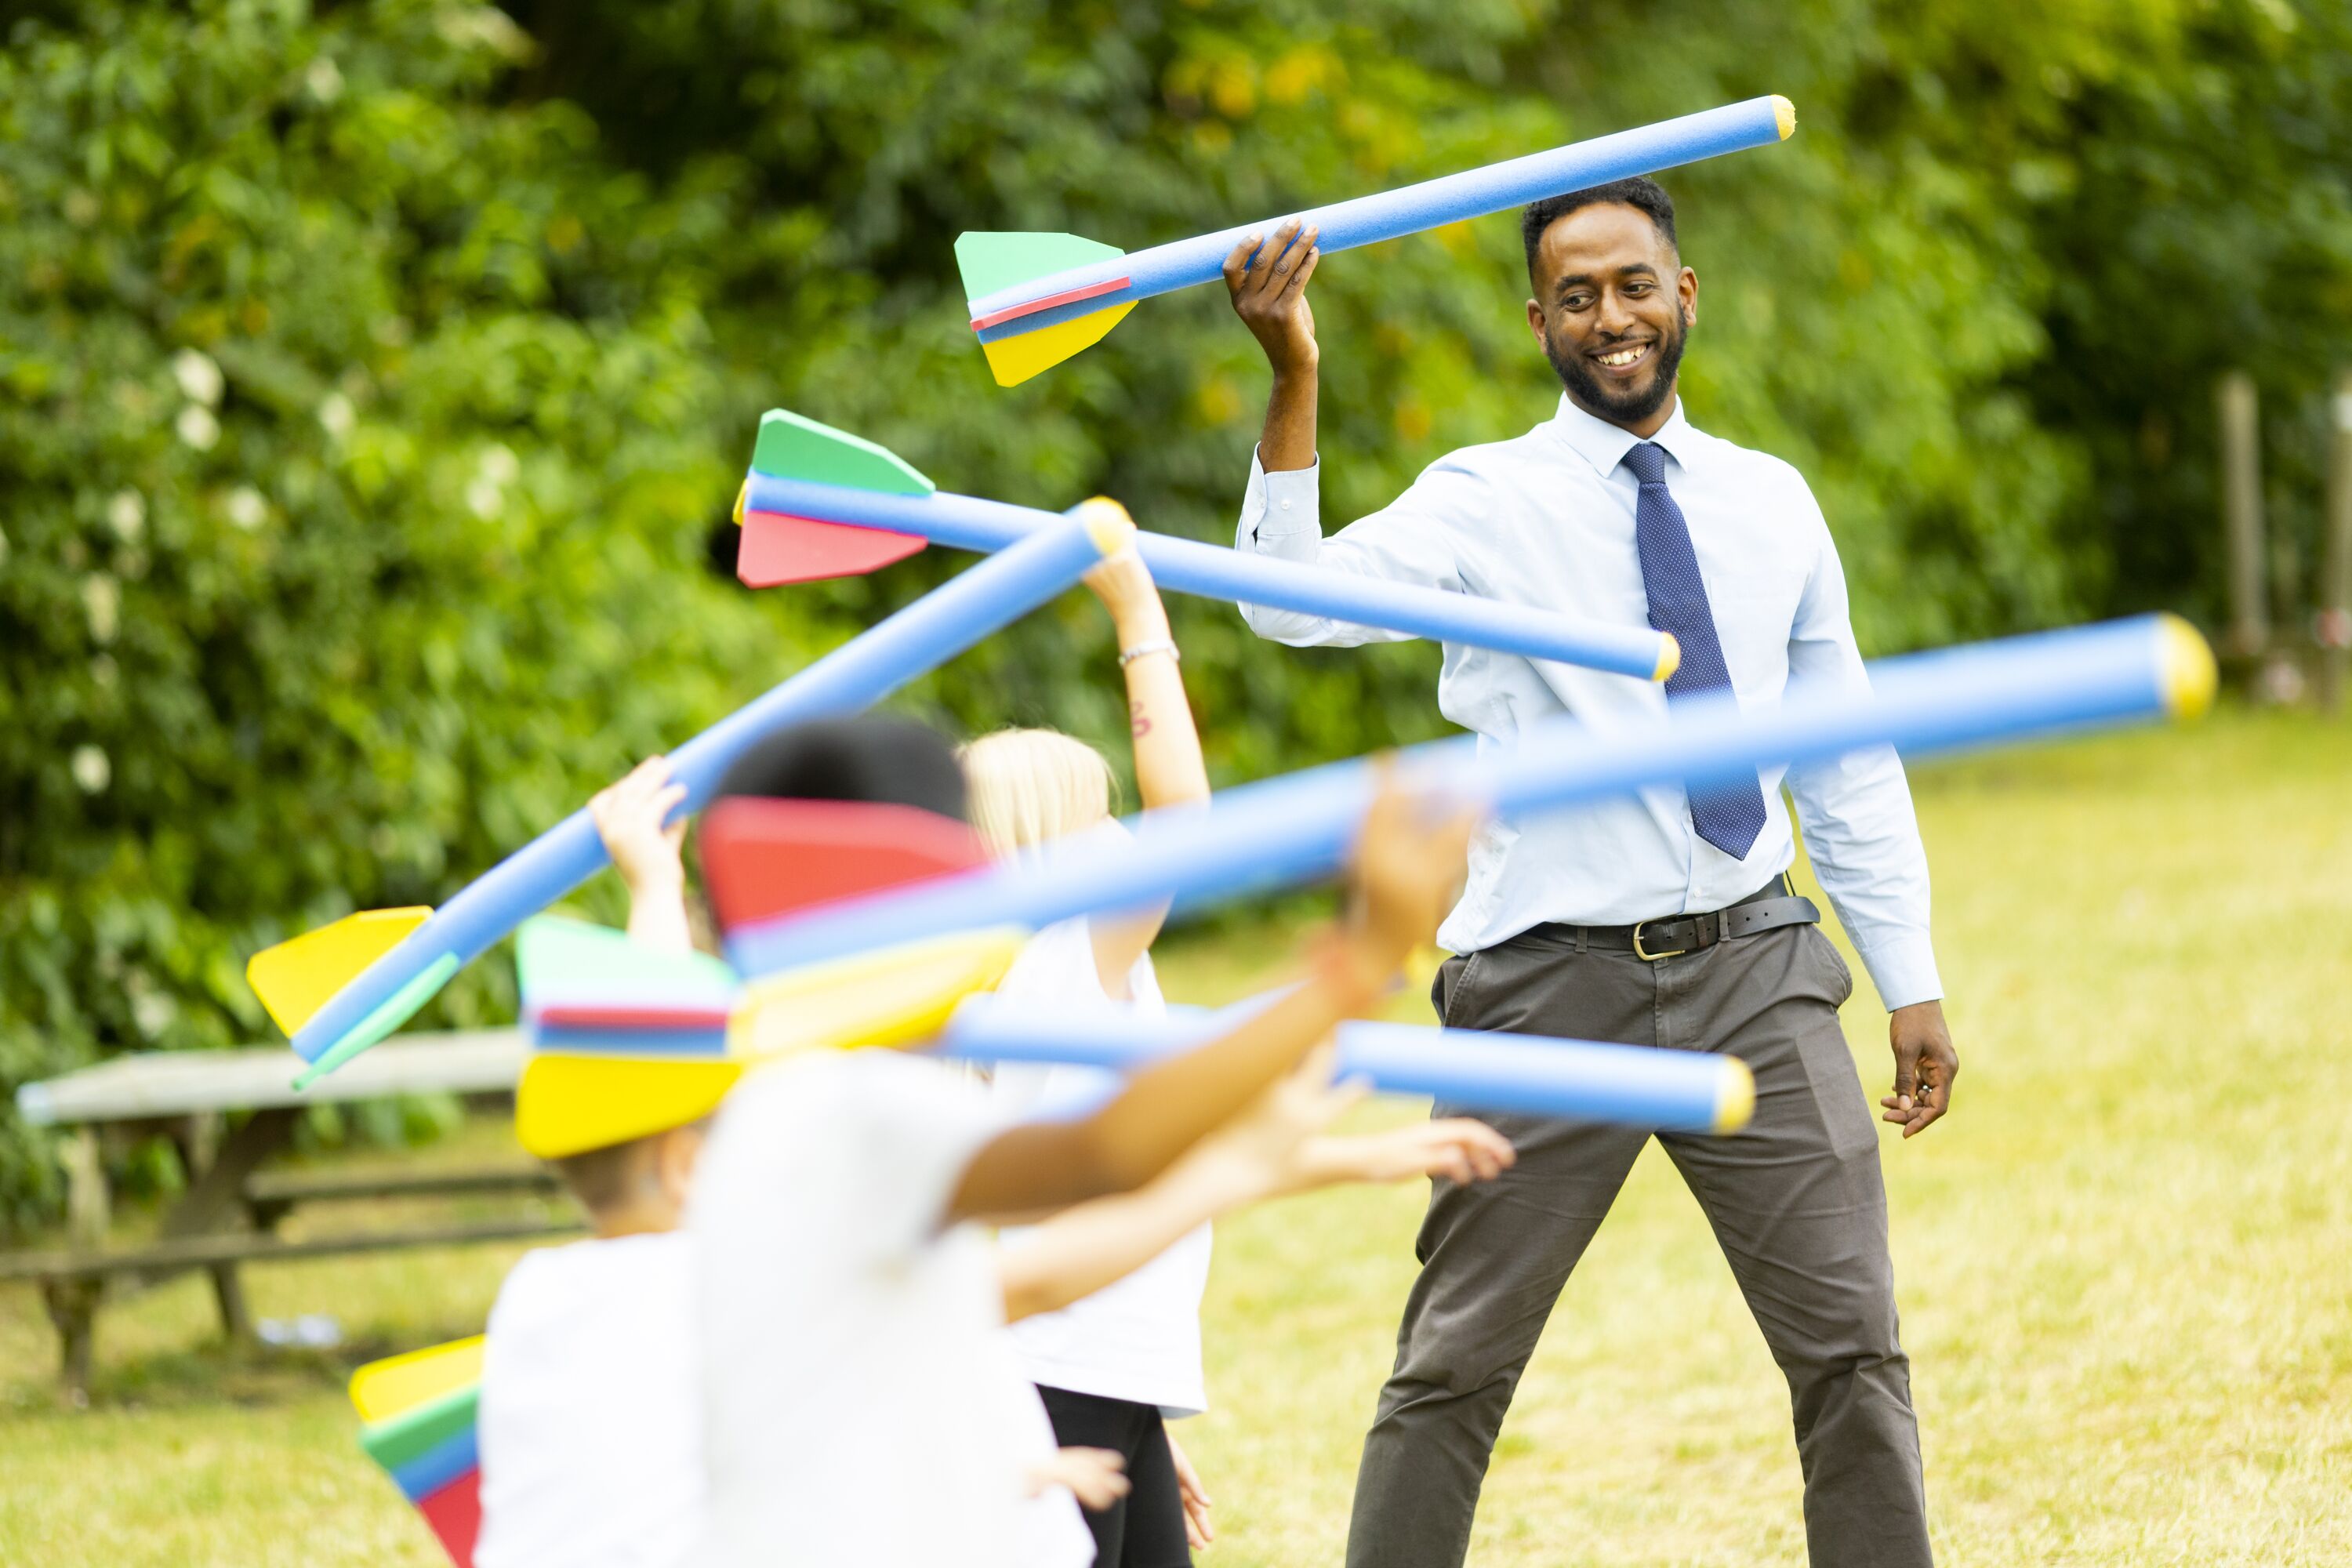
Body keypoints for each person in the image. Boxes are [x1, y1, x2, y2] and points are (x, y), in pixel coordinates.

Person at [1221, 176, 1957, 1568]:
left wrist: (1908, 978)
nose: (1609, 319)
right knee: (1452, 1369)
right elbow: (1283, 602)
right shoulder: (1485, 502)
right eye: (1575, 297)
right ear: (1538, 322)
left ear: (1685, 294)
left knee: (1854, 1354)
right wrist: (1294, 370)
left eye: (1631, 285)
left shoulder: (1773, 503)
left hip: (1757, 965)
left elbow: (1845, 759)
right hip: (1545, 992)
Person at [687, 715, 1480, 1568]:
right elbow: (1102, 1156)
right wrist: (1359, 958)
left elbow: (1016, 1265)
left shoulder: (804, 1101)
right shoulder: (836, 1113)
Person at [965, 548, 1516, 1565]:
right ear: (1048, 847)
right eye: (1094, 819)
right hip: (1068, 1364)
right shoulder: (1067, 954)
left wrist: (1142, 1414)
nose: (1118, 839)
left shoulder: (1031, 982)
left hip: (1086, 1367)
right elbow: (1186, 822)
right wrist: (1138, 612)